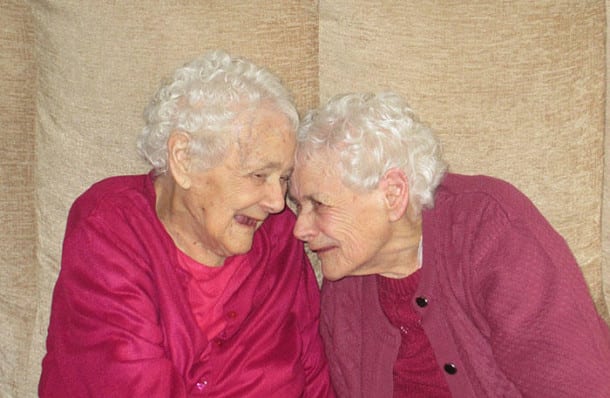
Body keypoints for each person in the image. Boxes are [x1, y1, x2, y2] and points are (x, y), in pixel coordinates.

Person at [39, 50, 334, 397]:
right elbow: (130, 384)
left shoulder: (280, 234)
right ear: (184, 159)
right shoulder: (109, 227)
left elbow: (313, 373)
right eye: (258, 174)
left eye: (283, 178)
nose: (275, 201)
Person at [289, 91, 610, 397]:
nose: (300, 229)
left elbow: (578, 386)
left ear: (393, 194)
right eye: (299, 206)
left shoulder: (491, 231)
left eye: (318, 205)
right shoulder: (344, 288)